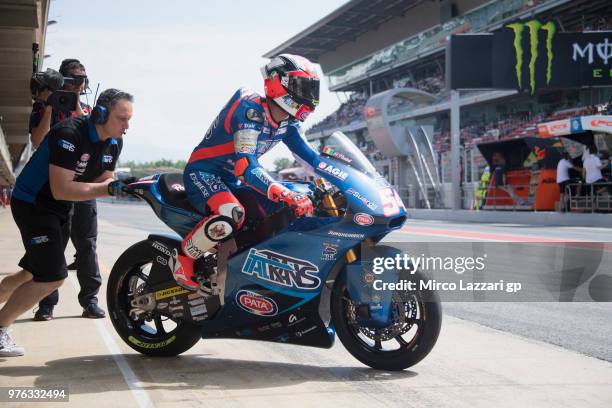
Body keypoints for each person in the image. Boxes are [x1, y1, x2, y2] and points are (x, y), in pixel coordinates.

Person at [0, 89, 133, 356]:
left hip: (61, 208)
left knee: (31, 273)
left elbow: (102, 179)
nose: (127, 126)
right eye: (122, 119)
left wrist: (120, 186)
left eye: (129, 120)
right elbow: (62, 188)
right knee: (52, 277)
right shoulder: (69, 133)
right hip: (33, 204)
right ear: (101, 113)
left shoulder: (114, 143)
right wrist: (107, 190)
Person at [173, 54, 321, 290]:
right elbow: (246, 166)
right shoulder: (250, 109)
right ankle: (185, 257)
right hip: (204, 174)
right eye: (303, 87)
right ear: (278, 83)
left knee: (279, 209)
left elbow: (312, 159)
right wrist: (282, 191)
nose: (310, 95)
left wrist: (340, 177)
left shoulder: (288, 123)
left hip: (230, 181)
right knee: (232, 213)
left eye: (312, 88)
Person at [29, 59, 105, 321]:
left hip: (82, 187)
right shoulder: (43, 108)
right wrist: (51, 107)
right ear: (61, 80)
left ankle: (90, 301)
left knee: (86, 245)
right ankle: (46, 304)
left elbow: (95, 141)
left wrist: (78, 110)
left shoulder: (90, 110)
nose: (77, 83)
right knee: (53, 247)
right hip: (52, 190)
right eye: (72, 79)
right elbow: (37, 140)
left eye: (81, 79)